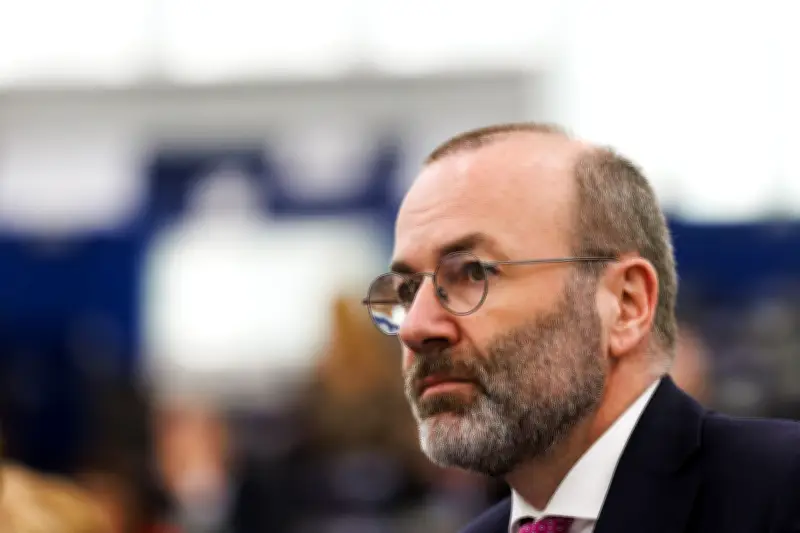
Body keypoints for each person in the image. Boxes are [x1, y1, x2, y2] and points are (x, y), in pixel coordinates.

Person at [362, 123, 800, 533]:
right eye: (407, 291)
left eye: (473, 272)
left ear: (625, 304)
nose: (415, 327)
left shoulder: (781, 492)